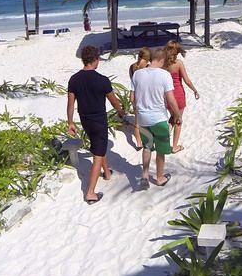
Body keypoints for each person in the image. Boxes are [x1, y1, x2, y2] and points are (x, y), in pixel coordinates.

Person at [66, 45, 126, 205]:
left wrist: (70, 122)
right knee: (98, 154)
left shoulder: (74, 79)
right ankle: (90, 193)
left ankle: (106, 173)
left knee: (97, 146)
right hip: (99, 121)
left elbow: (70, 103)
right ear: (96, 59)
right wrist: (121, 112)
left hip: (85, 120)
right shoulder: (102, 80)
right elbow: (114, 101)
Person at [131, 47, 181, 187]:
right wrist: (177, 115)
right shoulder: (164, 75)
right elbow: (171, 99)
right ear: (162, 60)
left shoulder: (137, 74)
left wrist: (140, 109)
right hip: (158, 119)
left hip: (143, 119)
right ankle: (159, 178)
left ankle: (145, 176)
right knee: (160, 151)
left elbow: (133, 98)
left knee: (147, 146)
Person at [163, 40, 198, 153]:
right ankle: (174, 147)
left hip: (167, 95)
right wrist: (195, 90)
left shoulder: (163, 64)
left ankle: (166, 132)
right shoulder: (178, 64)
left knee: (172, 117)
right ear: (177, 52)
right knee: (178, 120)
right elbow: (186, 80)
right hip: (178, 95)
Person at [129, 47, 152, 145]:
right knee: (148, 120)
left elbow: (132, 82)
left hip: (136, 95)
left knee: (137, 122)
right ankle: (149, 139)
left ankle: (138, 143)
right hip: (146, 96)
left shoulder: (132, 67)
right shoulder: (148, 68)